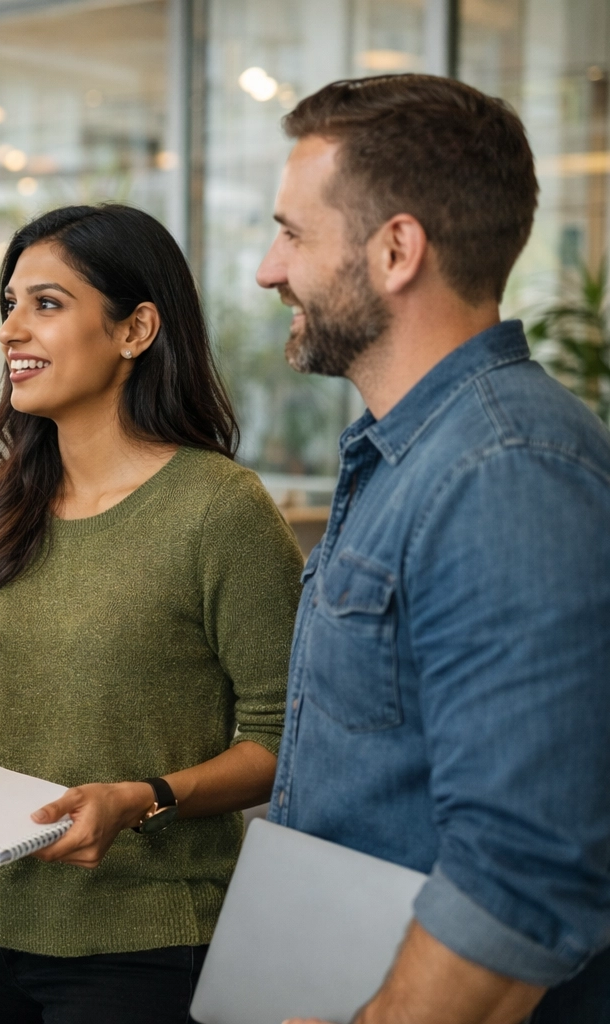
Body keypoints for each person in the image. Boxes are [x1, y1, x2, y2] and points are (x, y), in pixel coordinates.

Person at [0, 203, 305, 1023]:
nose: (10, 331)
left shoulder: (222, 511)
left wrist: (142, 796)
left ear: (136, 329)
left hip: (139, 938)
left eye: (46, 303)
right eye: (8, 304)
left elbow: (280, 741)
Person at [252, 75, 610, 1024]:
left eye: (291, 232)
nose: (267, 268)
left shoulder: (507, 471)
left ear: (396, 249)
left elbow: (522, 875)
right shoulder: (410, 451)